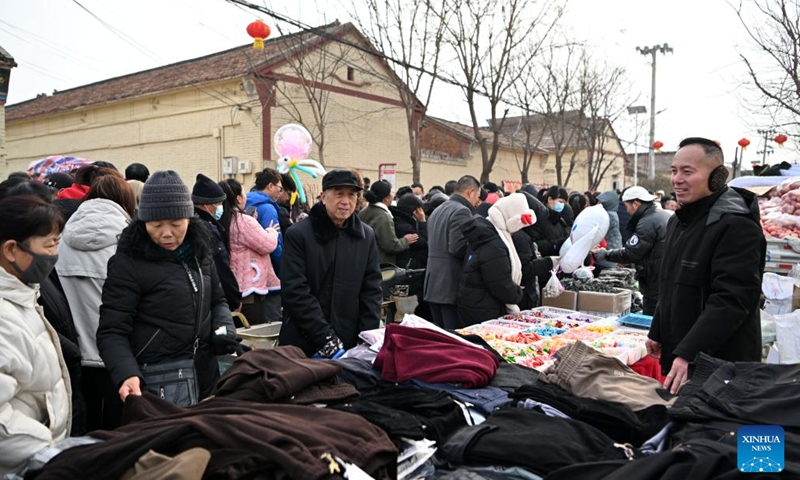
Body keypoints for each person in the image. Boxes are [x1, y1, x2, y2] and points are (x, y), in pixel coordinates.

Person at [97, 171, 238, 404]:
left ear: (189, 220)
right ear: (142, 223)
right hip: (158, 381)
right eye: (156, 224)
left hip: (206, 374)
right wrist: (127, 373)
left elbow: (218, 300)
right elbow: (112, 331)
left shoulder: (200, 253)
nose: (166, 234)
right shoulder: (128, 263)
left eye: (175, 224)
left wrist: (224, 329)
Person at [648, 137, 765, 395]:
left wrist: (689, 352)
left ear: (717, 177)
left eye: (687, 172)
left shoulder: (737, 227)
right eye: (674, 171)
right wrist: (657, 330)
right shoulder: (678, 221)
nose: (677, 179)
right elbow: (668, 282)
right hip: (682, 355)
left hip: (719, 364)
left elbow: (731, 300)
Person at [56, 175, 135, 431]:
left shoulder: (59, 240)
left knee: (84, 425)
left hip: (73, 350)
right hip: (117, 353)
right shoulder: (129, 242)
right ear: (126, 200)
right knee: (120, 426)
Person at [0, 195, 70, 475]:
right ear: (11, 250)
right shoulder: (4, 317)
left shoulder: (24, 295)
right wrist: (49, 450)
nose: (55, 253)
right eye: (50, 243)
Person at [278, 169, 382, 358]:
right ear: (323, 197)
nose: (345, 201)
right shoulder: (299, 234)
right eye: (339, 194)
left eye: (352, 195)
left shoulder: (365, 236)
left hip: (350, 341)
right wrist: (325, 338)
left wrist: (367, 338)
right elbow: (295, 291)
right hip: (303, 341)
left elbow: (371, 291)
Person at [457, 193, 533, 327]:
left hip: (475, 304)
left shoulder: (485, 234)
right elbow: (500, 284)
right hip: (484, 309)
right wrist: (516, 293)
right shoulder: (494, 244)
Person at [593, 186, 670, 316]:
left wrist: (604, 254)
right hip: (663, 276)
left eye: (627, 206)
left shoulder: (647, 222)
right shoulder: (660, 214)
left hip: (655, 279)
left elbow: (630, 252)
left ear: (636, 204)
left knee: (652, 318)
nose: (627, 211)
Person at [219, 179, 281, 326]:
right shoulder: (243, 221)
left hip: (231, 285)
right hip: (250, 288)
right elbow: (268, 244)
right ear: (239, 198)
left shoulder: (222, 219)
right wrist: (272, 231)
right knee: (252, 333)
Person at [424, 175, 481, 329]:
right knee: (453, 338)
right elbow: (457, 248)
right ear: (470, 192)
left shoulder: (437, 210)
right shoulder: (462, 211)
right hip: (450, 284)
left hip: (433, 283)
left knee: (441, 336)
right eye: (477, 196)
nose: (478, 201)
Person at [192, 174, 241, 312]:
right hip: (212, 296)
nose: (221, 207)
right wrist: (234, 299)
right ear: (206, 204)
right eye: (218, 203)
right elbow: (221, 266)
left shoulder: (190, 223)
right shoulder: (208, 229)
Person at [514, 191, 557, 309]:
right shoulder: (521, 237)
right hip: (524, 296)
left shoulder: (523, 234)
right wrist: (549, 262)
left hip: (526, 294)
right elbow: (526, 268)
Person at [360, 180, 418, 265]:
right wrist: (405, 241)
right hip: (380, 265)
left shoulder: (364, 211)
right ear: (386, 199)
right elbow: (390, 245)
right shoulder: (383, 217)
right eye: (391, 192)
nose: (393, 194)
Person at [246, 169, 284, 274]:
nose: (280, 193)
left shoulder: (246, 203)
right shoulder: (268, 209)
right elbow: (275, 244)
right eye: (280, 188)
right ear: (270, 186)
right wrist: (283, 266)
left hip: (247, 266)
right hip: (267, 268)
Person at [528, 186, 570, 257]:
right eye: (560, 201)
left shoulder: (560, 221)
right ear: (550, 199)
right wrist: (554, 245)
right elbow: (533, 245)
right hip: (544, 262)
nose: (562, 205)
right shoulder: (539, 219)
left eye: (564, 203)